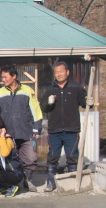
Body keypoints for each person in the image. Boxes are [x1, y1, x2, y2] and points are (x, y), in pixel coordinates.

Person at [40, 61, 93, 192]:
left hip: (72, 128)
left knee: (72, 156)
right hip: (54, 129)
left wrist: (89, 102)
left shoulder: (76, 87)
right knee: (53, 156)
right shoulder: (50, 90)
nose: (59, 74)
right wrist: (49, 103)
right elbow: (43, 107)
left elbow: (84, 103)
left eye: (61, 71)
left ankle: (72, 182)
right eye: (56, 72)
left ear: (67, 72)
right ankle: (51, 182)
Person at [0, 65, 43, 192]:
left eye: (5, 77)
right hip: (7, 133)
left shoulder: (27, 90)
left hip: (26, 131)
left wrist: (36, 129)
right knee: (9, 159)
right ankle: (12, 181)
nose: (3, 79)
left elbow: (36, 111)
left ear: (14, 76)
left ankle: (28, 180)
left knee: (30, 157)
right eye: (2, 77)